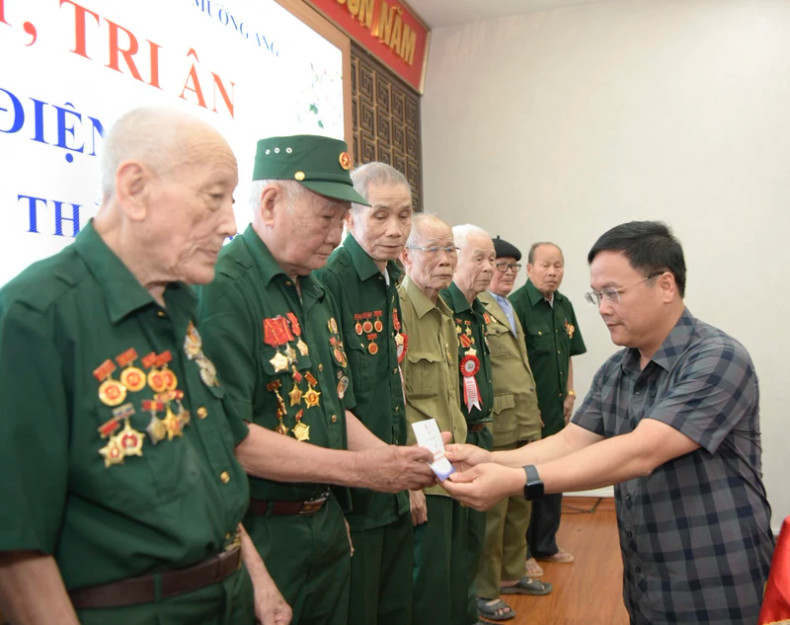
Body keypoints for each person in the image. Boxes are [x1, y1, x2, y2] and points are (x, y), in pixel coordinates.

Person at [0, 107, 290, 625]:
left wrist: (258, 580)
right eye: (214, 196)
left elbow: (212, 465)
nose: (230, 224)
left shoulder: (179, 306)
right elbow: (17, 552)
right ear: (135, 189)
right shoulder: (37, 316)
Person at [443, 221, 775, 625]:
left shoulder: (717, 359)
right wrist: (489, 459)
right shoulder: (618, 369)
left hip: (713, 575)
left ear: (666, 285)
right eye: (597, 295)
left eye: (614, 293)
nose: (602, 308)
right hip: (647, 577)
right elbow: (571, 442)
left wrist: (515, 481)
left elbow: (641, 452)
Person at [197, 136, 437, 625]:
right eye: (326, 219)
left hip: (324, 522)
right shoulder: (224, 288)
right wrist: (363, 472)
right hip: (264, 531)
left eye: (342, 219)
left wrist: (393, 460)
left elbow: (332, 406)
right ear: (269, 203)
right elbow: (230, 438)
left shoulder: (312, 289)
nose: (337, 233)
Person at [315, 161, 415, 625]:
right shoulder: (330, 280)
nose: (395, 230)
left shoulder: (390, 278)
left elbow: (391, 381)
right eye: (380, 215)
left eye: (404, 215)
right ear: (350, 217)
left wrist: (406, 468)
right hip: (358, 488)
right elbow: (335, 398)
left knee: (395, 606)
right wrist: (388, 467)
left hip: (392, 483)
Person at [475, 236, 551, 622]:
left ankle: (512, 573)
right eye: (497, 265)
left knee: (522, 504)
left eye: (511, 267)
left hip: (524, 416)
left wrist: (534, 409)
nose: (504, 273)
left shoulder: (507, 306)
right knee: (494, 513)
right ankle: (485, 590)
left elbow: (519, 365)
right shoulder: (477, 305)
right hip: (499, 422)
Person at [398, 214, 468, 625]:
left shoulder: (445, 313)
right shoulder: (399, 310)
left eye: (450, 250)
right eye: (434, 250)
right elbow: (398, 403)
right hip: (425, 474)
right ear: (405, 256)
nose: (446, 260)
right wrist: (410, 483)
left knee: (455, 580)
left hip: (454, 468)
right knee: (427, 587)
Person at [509, 241, 586, 567]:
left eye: (558, 265)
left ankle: (546, 543)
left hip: (556, 408)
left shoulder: (564, 305)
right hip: (529, 412)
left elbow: (567, 355)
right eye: (545, 265)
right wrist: (529, 405)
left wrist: (570, 393)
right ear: (529, 269)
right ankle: (522, 551)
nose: (553, 272)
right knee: (528, 478)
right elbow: (514, 363)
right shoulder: (517, 306)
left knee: (555, 474)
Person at [440, 224, 496, 625]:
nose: (490, 267)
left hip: (482, 436)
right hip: (454, 443)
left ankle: (468, 612)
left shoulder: (479, 309)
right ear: (454, 256)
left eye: (492, 258)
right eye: (479, 258)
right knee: (453, 547)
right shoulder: (444, 307)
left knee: (475, 539)